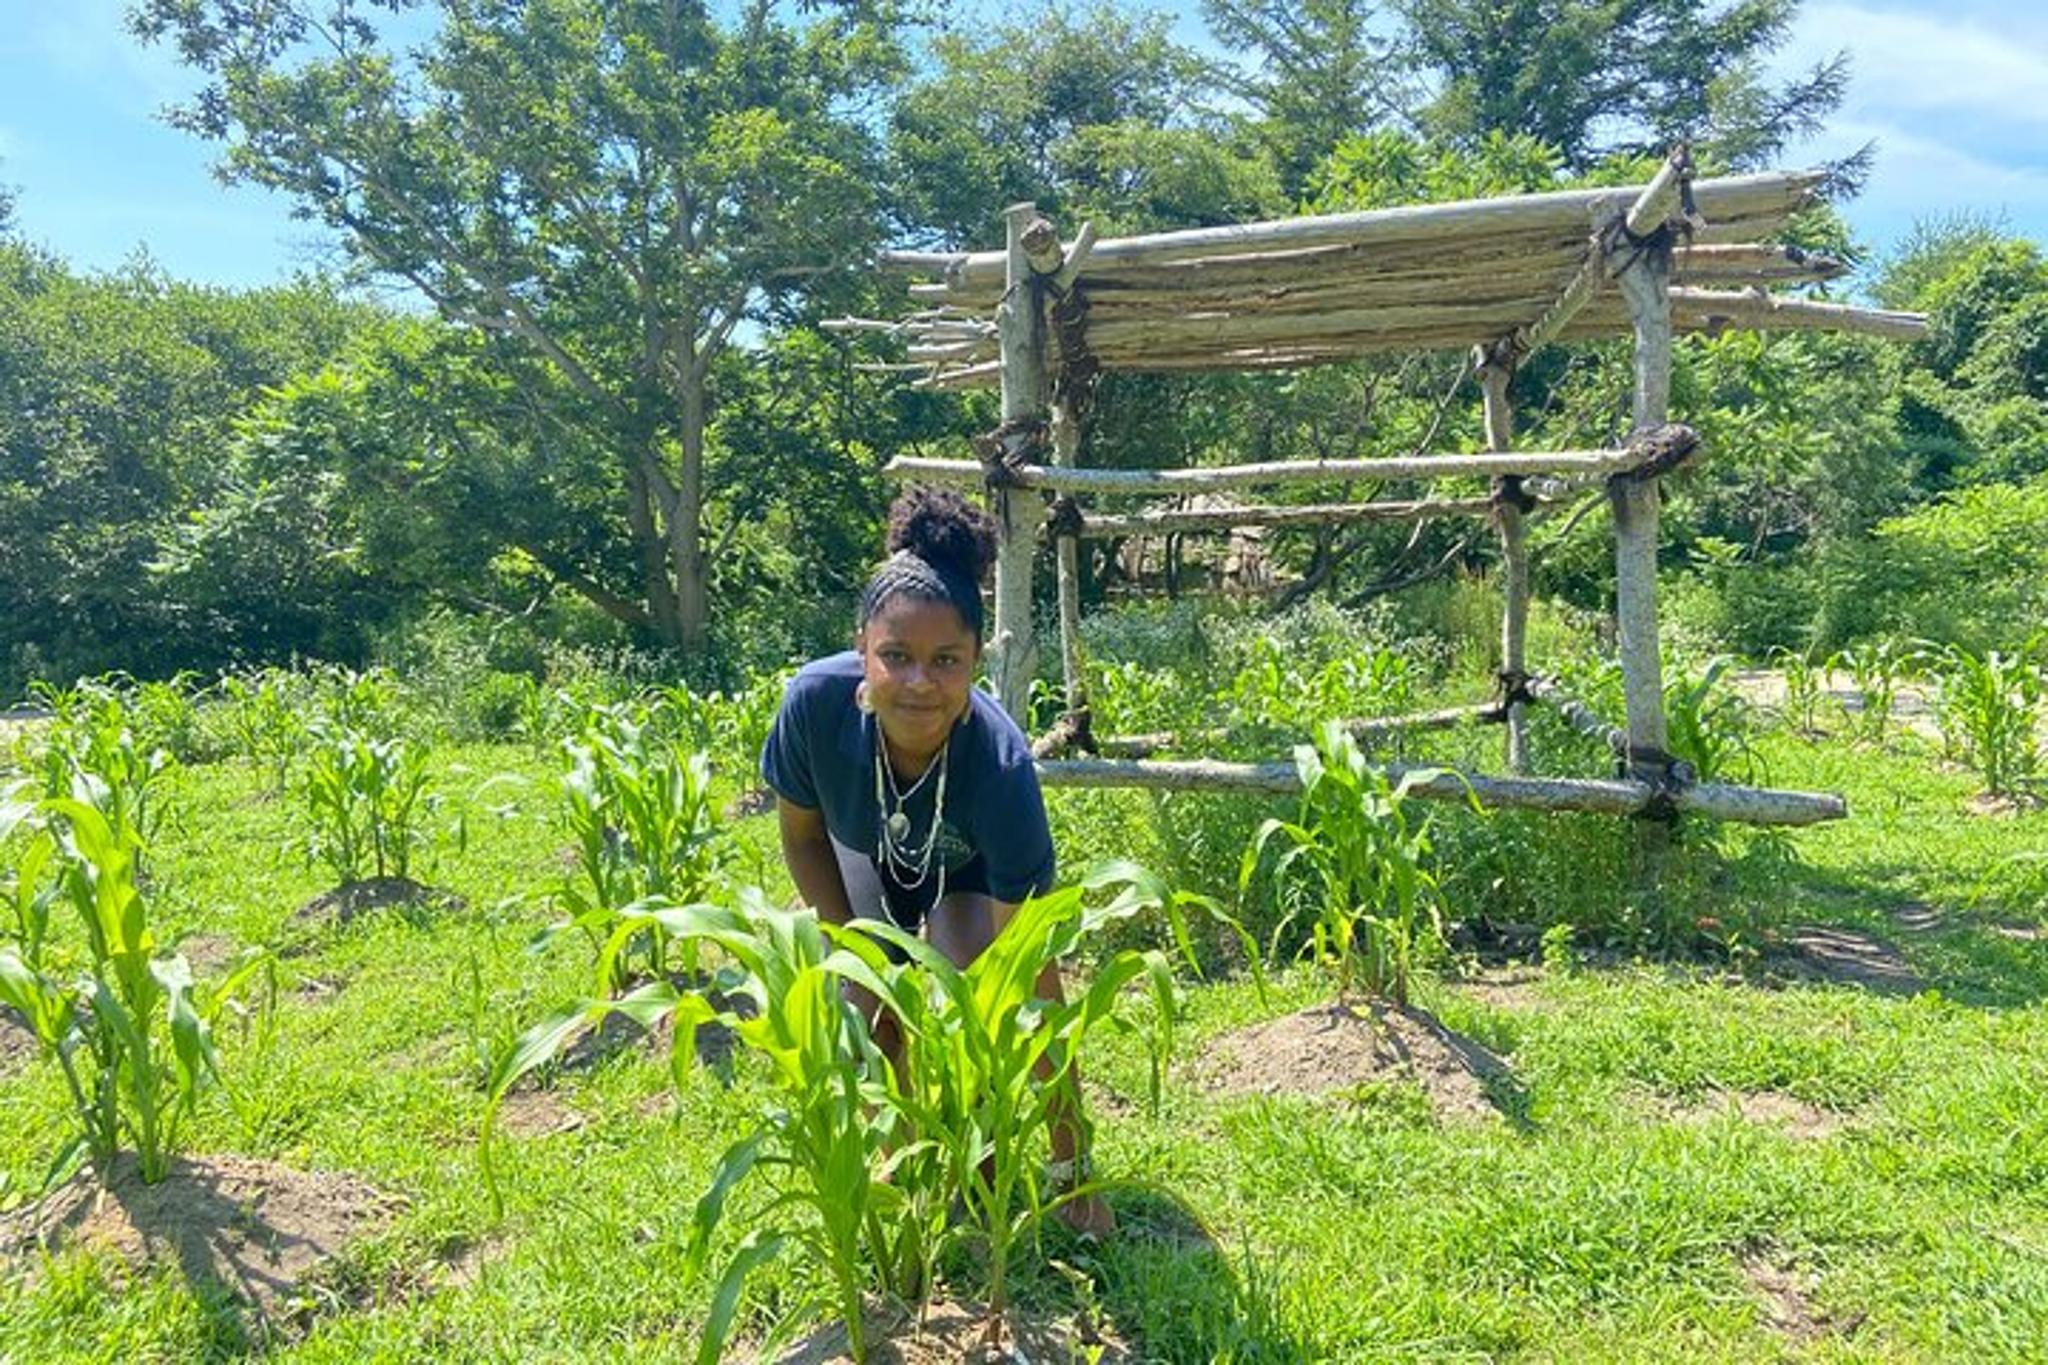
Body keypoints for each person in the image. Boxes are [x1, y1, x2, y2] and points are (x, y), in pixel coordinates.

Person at [760, 485, 1114, 1238]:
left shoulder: (1000, 765)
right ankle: (907, 1162)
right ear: (862, 649)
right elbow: (801, 834)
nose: (920, 681)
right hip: (864, 856)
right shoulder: (813, 707)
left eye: (946, 659)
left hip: (969, 875)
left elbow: (1035, 981)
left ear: (976, 660)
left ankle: (979, 1181)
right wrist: (850, 945)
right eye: (896, 656)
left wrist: (1075, 1166)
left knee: (974, 1010)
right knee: (869, 1011)